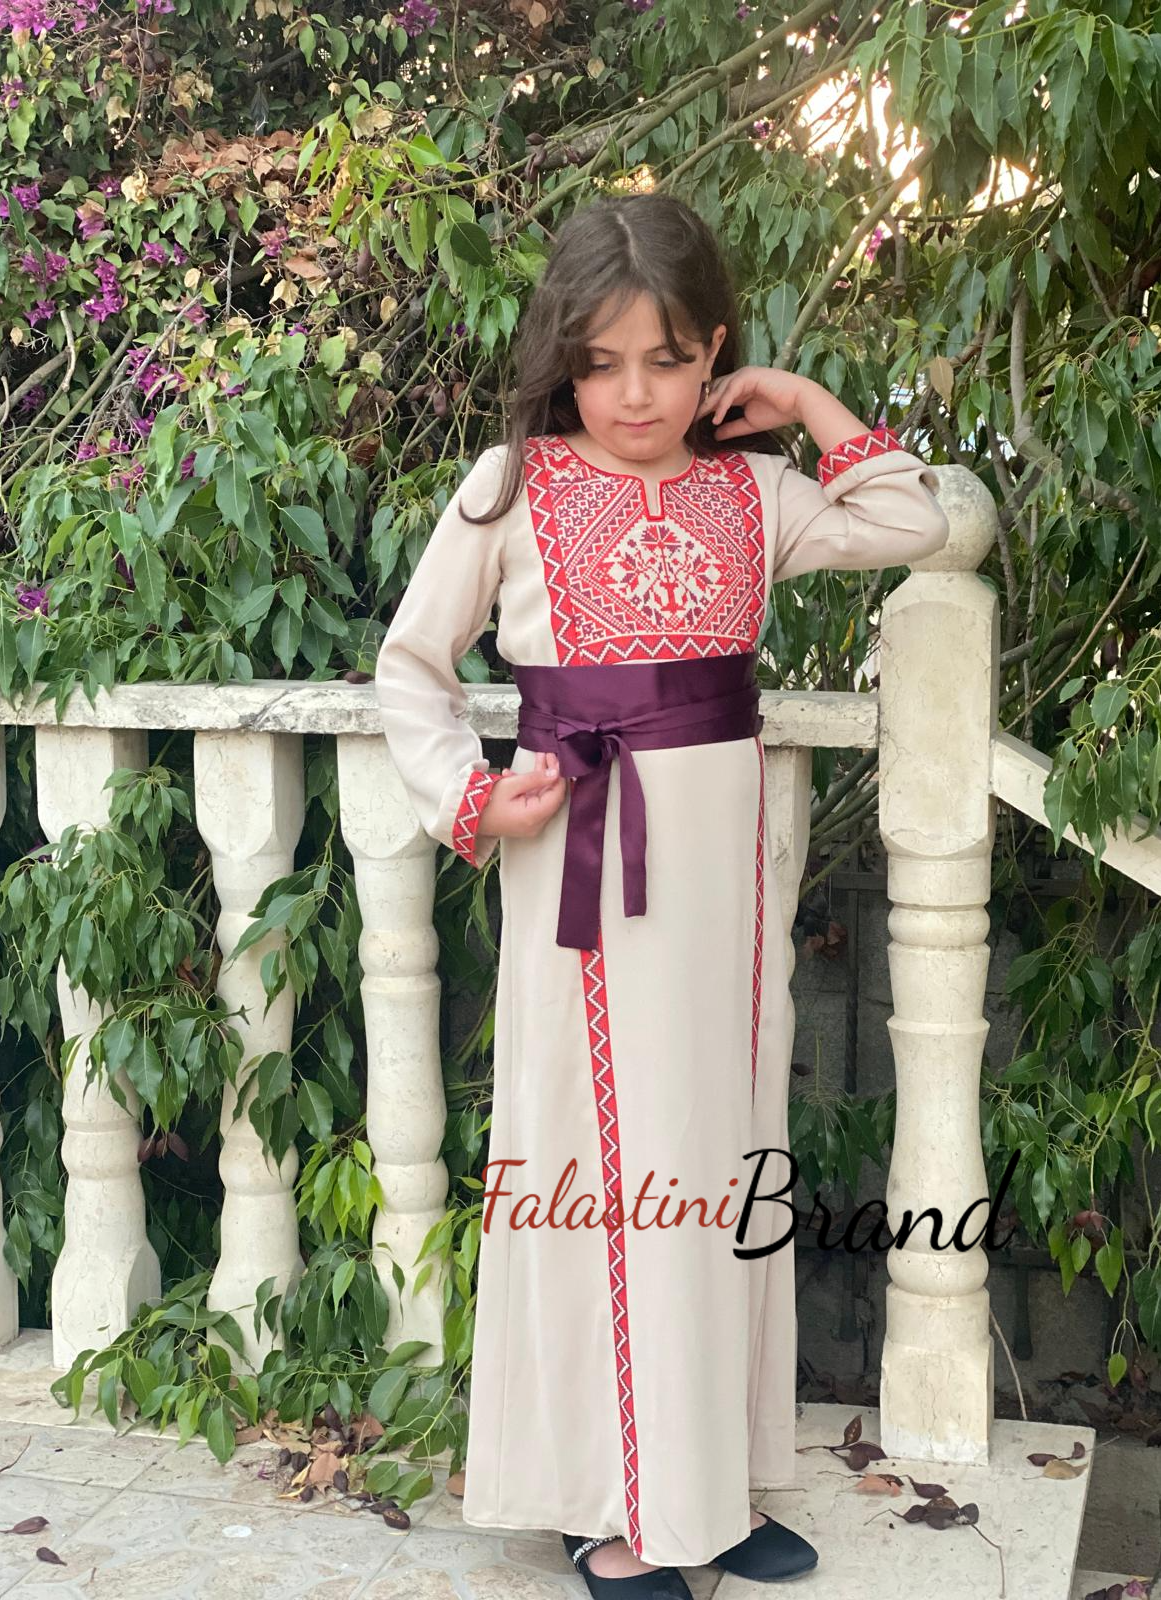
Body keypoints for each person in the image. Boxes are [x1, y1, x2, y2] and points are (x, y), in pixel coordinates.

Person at [374, 192, 950, 1598]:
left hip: (720, 898)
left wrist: (800, 401)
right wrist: (471, 795)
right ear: (563, 362)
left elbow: (911, 518)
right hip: (577, 877)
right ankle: (607, 1508)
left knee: (715, 1156)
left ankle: (702, 1489)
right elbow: (412, 669)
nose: (636, 394)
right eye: (603, 363)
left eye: (671, 360)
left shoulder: (755, 495)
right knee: (600, 1172)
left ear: (714, 354)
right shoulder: (509, 489)